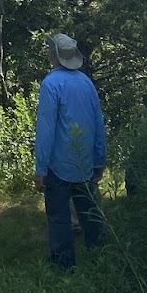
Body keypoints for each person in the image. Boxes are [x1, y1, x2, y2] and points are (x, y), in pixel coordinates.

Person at [33, 33, 106, 269]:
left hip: (57, 165)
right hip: (84, 160)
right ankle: (98, 255)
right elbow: (97, 123)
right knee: (89, 211)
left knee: (58, 215)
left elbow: (46, 130)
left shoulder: (51, 84)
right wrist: (99, 158)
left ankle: (64, 265)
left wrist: (40, 169)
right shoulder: (86, 83)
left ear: (53, 55)